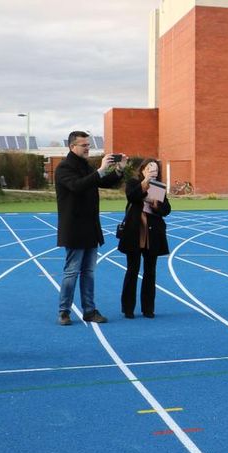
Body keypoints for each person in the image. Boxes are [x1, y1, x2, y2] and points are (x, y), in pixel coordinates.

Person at [55, 131, 126, 325]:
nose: (88, 148)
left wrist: (119, 170)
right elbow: (78, 186)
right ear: (72, 147)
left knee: (89, 272)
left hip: (91, 227)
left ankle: (89, 310)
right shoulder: (63, 168)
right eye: (84, 145)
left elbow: (101, 181)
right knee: (71, 271)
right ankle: (64, 311)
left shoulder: (85, 166)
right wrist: (100, 171)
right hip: (74, 228)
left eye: (88, 144)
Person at [118, 159, 171, 318]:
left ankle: (148, 308)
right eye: (149, 168)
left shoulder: (158, 187)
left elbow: (166, 209)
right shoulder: (134, 182)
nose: (153, 171)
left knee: (150, 272)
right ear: (142, 170)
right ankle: (128, 308)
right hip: (135, 231)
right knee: (132, 270)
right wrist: (145, 182)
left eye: (155, 169)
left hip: (153, 233)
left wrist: (157, 205)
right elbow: (132, 196)